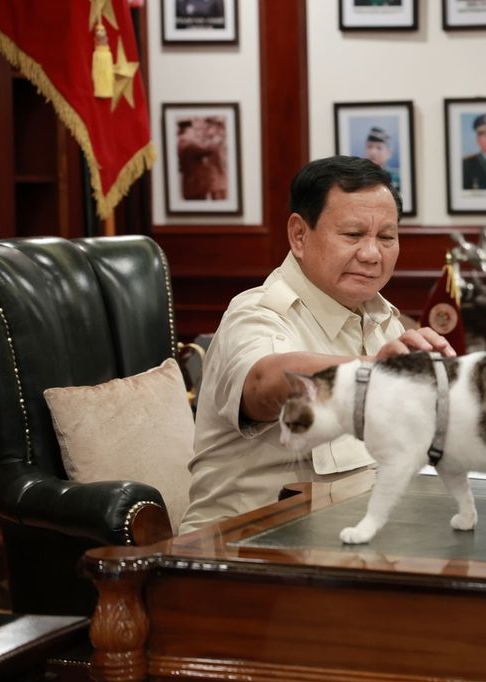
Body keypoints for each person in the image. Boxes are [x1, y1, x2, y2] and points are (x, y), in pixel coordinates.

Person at [179, 155, 455, 533]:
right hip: (245, 550)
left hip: (352, 539)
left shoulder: (384, 319)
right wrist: (367, 371)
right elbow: (263, 383)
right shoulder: (257, 313)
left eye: (386, 237)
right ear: (299, 235)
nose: (372, 254)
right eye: (353, 235)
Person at [177, 116, 228, 200]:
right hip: (196, 186)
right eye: (194, 130)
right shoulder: (189, 144)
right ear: (188, 131)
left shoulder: (182, 143)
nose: (195, 133)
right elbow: (207, 149)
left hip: (191, 185)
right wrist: (216, 140)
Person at [363, 126, 400, 195]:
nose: (373, 152)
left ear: (389, 153)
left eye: (379, 148)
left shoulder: (397, 178)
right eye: (370, 146)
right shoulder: (357, 176)